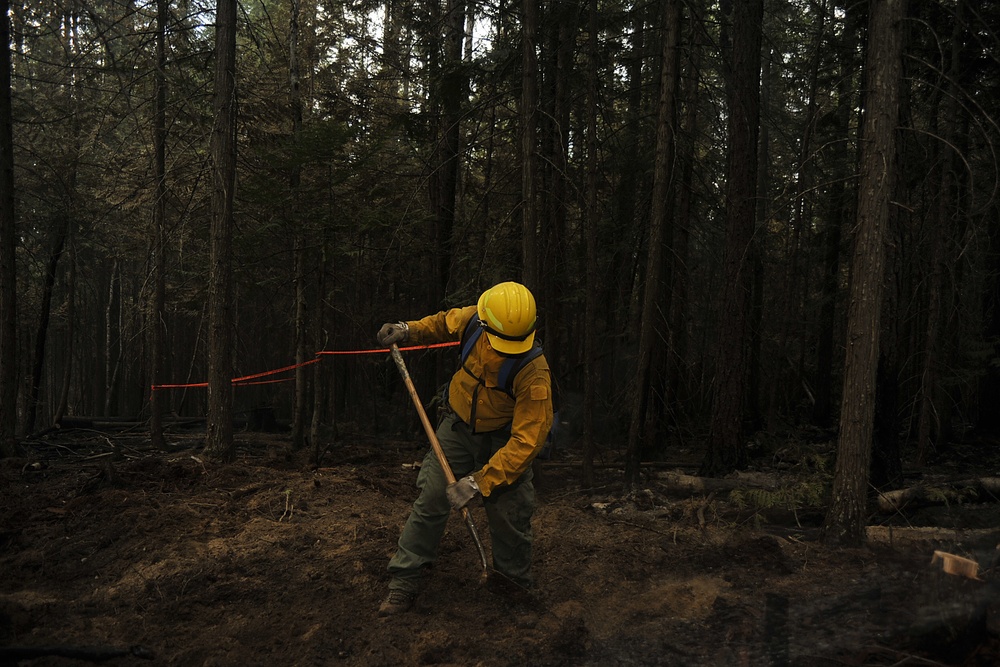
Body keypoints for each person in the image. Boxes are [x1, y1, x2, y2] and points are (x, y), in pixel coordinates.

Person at [375, 281, 554, 616]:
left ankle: (513, 587)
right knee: (431, 499)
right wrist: (406, 330)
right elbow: (442, 322)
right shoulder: (475, 319)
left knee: (510, 515)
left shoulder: (534, 373)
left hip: (503, 442)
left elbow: (527, 442)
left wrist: (478, 483)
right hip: (456, 428)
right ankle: (404, 582)